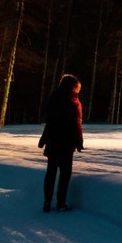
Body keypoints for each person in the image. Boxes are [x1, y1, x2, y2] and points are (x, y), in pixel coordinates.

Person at [38, 73, 84, 211]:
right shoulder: (73, 101)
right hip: (66, 143)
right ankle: (61, 203)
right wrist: (79, 142)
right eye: (77, 87)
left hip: (52, 141)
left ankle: (47, 202)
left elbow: (50, 122)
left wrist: (43, 139)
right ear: (72, 87)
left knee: (51, 172)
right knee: (65, 174)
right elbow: (76, 124)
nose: (78, 90)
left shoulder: (54, 98)